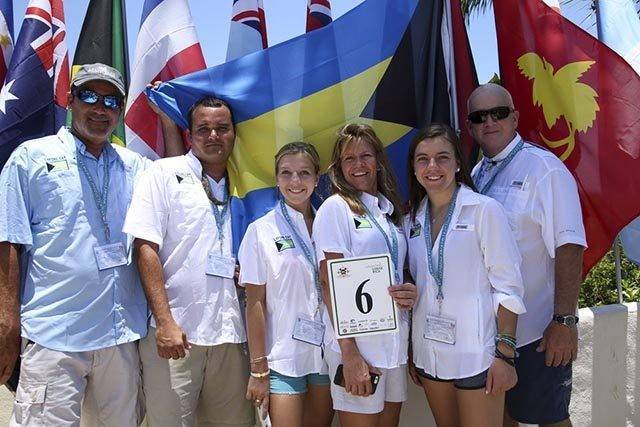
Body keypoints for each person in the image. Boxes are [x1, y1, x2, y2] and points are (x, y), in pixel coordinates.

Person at [0, 63, 149, 426]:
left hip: (119, 335)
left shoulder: (136, 167)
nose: (100, 108)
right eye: (89, 96)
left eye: (111, 100)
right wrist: (6, 321)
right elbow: (9, 242)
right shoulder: (30, 159)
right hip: (55, 334)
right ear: (69, 100)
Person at [122, 96, 254, 427]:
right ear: (190, 134)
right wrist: (165, 322)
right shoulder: (163, 173)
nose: (213, 136)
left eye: (222, 129)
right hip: (177, 335)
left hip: (231, 336)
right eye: (203, 129)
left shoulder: (248, 181)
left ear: (234, 133)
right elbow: (145, 247)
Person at [466, 83, 587, 427]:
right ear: (471, 126)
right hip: (493, 337)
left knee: (551, 420)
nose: (489, 122)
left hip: (538, 332)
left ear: (515, 117)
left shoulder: (543, 168)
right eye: (479, 116)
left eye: (498, 113)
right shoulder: (476, 175)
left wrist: (565, 321)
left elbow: (570, 245)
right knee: (504, 420)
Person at [404, 123, 525, 427]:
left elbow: (508, 286)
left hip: (478, 356)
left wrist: (505, 355)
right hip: (429, 353)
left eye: (442, 157)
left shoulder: (485, 211)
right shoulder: (410, 220)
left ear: (458, 163)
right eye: (423, 159)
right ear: (415, 168)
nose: (433, 166)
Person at [313, 123, 417, 426]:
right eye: (349, 159)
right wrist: (350, 353)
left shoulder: (388, 211)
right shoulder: (336, 208)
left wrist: (408, 290)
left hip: (394, 343)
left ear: (379, 160)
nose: (358, 165)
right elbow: (328, 281)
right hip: (359, 346)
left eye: (365, 156)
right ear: (339, 166)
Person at [239, 142, 334, 427]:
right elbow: (254, 302)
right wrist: (258, 370)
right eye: (286, 173)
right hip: (282, 357)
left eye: (304, 173)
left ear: (317, 178)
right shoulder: (261, 230)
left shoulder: (331, 226)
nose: (295, 181)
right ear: (277, 178)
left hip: (326, 355)